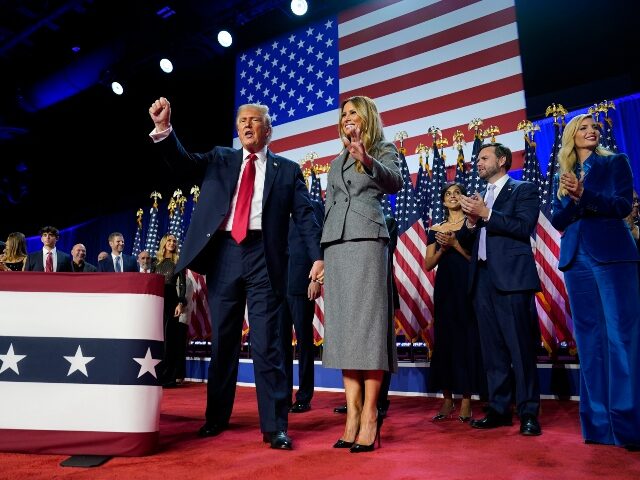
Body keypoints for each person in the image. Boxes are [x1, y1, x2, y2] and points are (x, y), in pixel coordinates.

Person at [148, 97, 323, 450]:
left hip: (265, 257)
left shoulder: (287, 171)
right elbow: (183, 165)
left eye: (254, 120)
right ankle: (216, 417)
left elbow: (305, 216)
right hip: (225, 254)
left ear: (268, 130)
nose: (246, 125)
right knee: (223, 342)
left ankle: (275, 425)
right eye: (242, 120)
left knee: (268, 343)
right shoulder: (220, 158)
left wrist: (318, 258)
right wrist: (164, 129)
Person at [550, 114, 640, 450]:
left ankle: (629, 427)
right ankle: (600, 426)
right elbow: (558, 219)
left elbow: (620, 206)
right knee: (590, 342)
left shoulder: (616, 162)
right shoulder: (564, 175)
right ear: (572, 136)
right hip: (577, 260)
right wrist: (574, 198)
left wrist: (585, 195)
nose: (591, 131)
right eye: (583, 128)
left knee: (621, 338)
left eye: (594, 127)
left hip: (613, 255)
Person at [321, 95, 402, 453]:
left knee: (367, 329)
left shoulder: (383, 149)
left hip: (368, 239)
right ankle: (351, 415)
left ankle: (370, 415)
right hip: (336, 245)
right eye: (343, 114)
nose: (347, 117)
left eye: (353, 112)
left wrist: (365, 158)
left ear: (367, 117)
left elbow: (395, 182)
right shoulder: (335, 161)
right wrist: (320, 256)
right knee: (343, 330)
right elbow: (328, 206)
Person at [458, 142, 542, 436]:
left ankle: (529, 412)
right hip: (481, 279)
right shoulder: (480, 198)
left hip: (512, 280)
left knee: (520, 349)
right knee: (492, 352)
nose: (477, 163)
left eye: (483, 158)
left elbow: (523, 227)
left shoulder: (524, 189)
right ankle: (499, 409)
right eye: (477, 159)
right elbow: (469, 243)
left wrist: (487, 214)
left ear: (502, 160)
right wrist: (470, 222)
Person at [425, 182, 485, 423]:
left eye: (457, 193)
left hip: (467, 288)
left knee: (467, 341)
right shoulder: (435, 229)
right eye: (448, 194)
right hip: (445, 290)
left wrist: (455, 244)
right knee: (445, 341)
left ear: (463, 198)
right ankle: (447, 398)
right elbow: (429, 264)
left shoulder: (472, 224)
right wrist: (441, 247)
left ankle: (467, 400)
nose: (452, 196)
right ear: (443, 201)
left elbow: (476, 259)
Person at [333, 214, 398, 419]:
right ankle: (356, 402)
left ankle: (379, 402)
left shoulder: (386, 221)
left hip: (377, 288)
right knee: (355, 346)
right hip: (352, 290)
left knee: (377, 347)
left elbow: (386, 251)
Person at [154, 234, 187, 388]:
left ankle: (168, 377)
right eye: (169, 240)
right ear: (163, 243)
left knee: (169, 338)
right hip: (157, 300)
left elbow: (182, 284)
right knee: (158, 337)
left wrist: (180, 303)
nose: (172, 243)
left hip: (171, 301)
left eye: (174, 241)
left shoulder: (178, 261)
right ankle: (156, 374)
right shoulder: (156, 262)